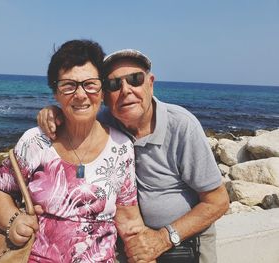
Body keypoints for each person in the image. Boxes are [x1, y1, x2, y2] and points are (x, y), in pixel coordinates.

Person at [37, 49, 230, 262]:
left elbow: (218, 200)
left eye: (135, 79)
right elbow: (78, 113)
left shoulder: (182, 126)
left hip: (183, 241)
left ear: (150, 83)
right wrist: (55, 113)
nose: (126, 90)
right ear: (104, 96)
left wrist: (164, 238)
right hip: (130, 240)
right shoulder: (104, 123)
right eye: (114, 84)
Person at [0, 40, 149, 262]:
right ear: (56, 93)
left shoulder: (121, 148)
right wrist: (13, 219)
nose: (80, 95)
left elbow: (129, 222)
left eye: (90, 84)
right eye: (68, 86)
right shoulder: (36, 141)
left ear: (102, 90)